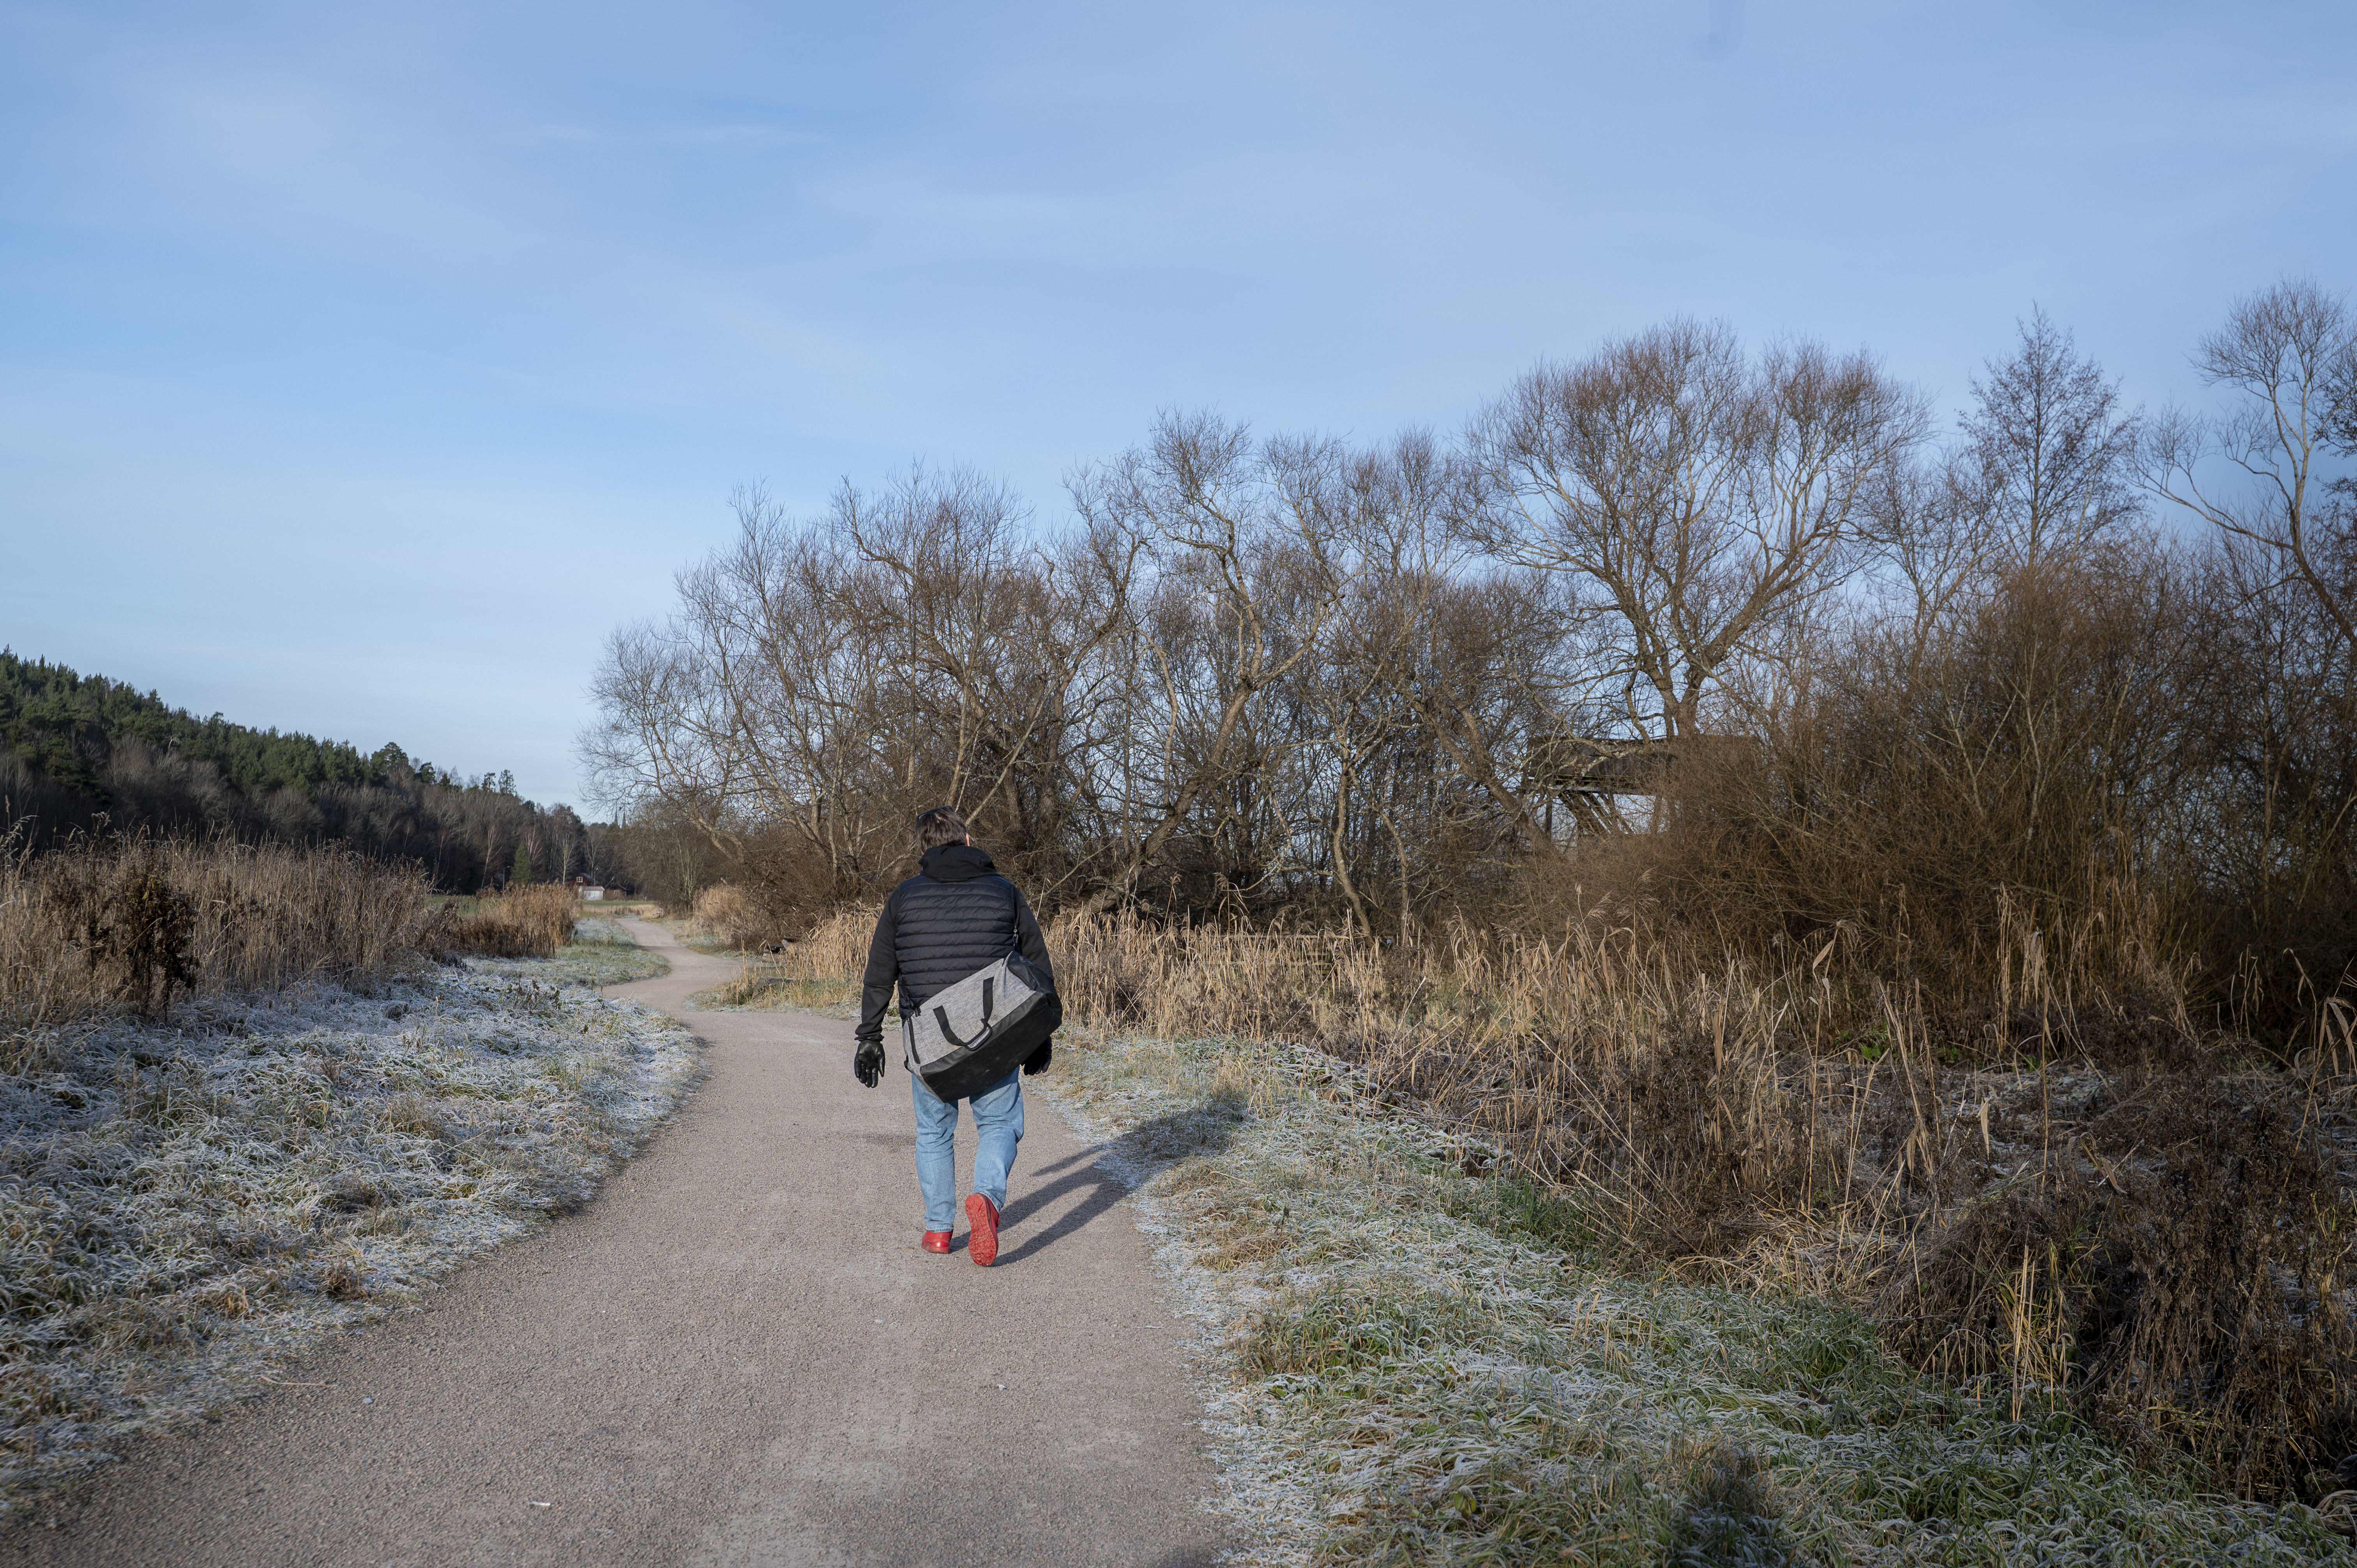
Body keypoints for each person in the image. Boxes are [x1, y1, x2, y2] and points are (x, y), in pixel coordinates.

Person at [853, 807, 1055, 1266]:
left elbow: (880, 974)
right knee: (1000, 1124)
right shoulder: (1005, 892)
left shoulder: (903, 897)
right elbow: (1037, 966)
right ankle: (985, 1197)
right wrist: (1040, 1034)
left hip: (929, 1045)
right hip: (995, 1038)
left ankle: (939, 1231)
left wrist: (870, 1036)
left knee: (933, 1132)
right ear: (967, 841)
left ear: (923, 849)